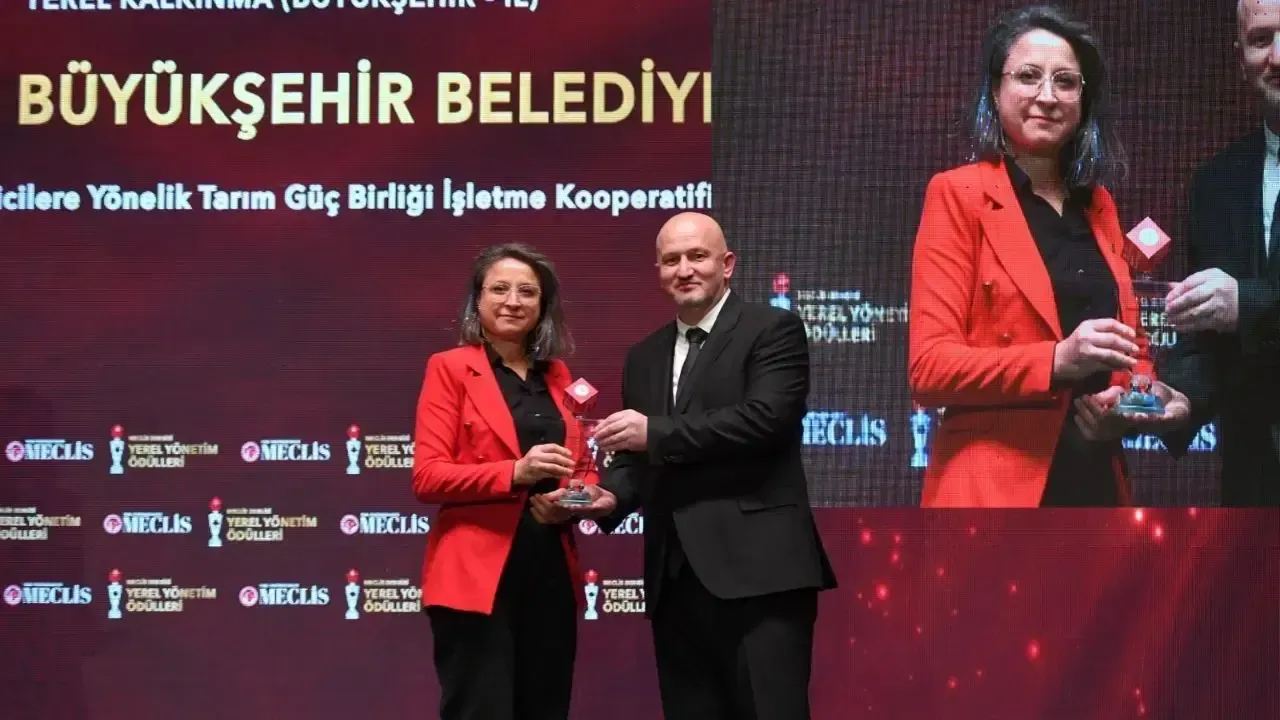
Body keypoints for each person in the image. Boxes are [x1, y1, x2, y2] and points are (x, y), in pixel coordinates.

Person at [548, 212, 837, 720]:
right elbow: (638, 459)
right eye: (671, 260)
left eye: (697, 256)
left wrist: (654, 432)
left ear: (727, 265)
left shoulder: (773, 329)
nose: (684, 269)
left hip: (760, 573)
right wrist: (611, 496)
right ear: (659, 272)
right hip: (675, 578)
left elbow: (766, 420)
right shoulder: (643, 356)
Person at [906, 4, 1190, 507]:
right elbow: (929, 369)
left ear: (1083, 100)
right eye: (1028, 76)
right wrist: (1058, 360)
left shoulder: (1099, 205)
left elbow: (1131, 349)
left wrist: (1139, 398)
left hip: (1096, 482)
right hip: (994, 494)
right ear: (996, 91)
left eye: (1065, 81)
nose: (1047, 96)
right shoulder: (958, 194)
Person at [411, 243, 597, 720]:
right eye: (499, 289)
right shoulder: (450, 368)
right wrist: (515, 472)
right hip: (476, 576)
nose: (513, 301)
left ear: (542, 305)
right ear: (477, 300)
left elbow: (582, 466)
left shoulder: (558, 376)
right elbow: (428, 476)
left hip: (550, 568)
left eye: (527, 292)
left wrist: (578, 498)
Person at [1157, 0, 1280, 506]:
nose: (1277, 56)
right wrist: (1181, 398)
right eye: (1261, 39)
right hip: (1253, 489)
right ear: (1240, 55)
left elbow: (1236, 310)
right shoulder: (1216, 182)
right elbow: (1206, 337)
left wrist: (1246, 305)